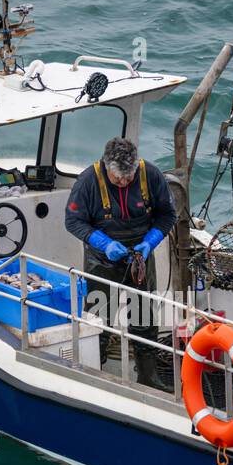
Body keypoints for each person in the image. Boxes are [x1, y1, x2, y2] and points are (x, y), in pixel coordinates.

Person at [64, 136, 176, 389]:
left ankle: (148, 376)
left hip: (140, 258)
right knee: (99, 319)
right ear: (106, 167)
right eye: (118, 179)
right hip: (103, 260)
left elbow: (168, 214)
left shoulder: (151, 175)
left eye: (129, 177)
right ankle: (93, 371)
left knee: (145, 317)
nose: (124, 183)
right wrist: (104, 243)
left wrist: (151, 241)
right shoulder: (87, 182)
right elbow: (73, 221)